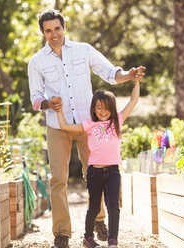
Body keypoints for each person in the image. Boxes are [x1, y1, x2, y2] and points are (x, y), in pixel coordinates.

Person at [27, 9, 145, 248]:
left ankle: (99, 221)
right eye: (48, 30)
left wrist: (129, 75)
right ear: (42, 32)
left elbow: (111, 73)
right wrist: (49, 103)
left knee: (94, 175)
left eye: (57, 28)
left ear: (63, 27)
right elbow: (36, 97)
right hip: (57, 126)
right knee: (58, 179)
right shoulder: (37, 61)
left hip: (88, 124)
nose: (53, 34)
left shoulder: (83, 50)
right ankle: (61, 233)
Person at [55, 68, 145, 247]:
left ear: (112, 109)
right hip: (94, 173)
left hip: (113, 172)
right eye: (99, 108)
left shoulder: (117, 121)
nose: (103, 111)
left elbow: (133, 100)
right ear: (94, 110)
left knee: (114, 207)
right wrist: (58, 110)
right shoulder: (89, 125)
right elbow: (65, 126)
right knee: (94, 208)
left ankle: (113, 240)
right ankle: (88, 238)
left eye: (106, 108)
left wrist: (136, 81)